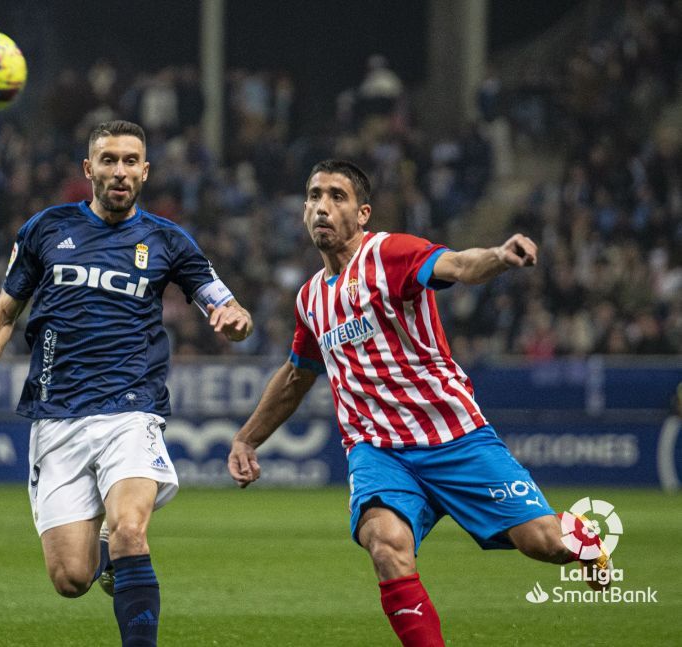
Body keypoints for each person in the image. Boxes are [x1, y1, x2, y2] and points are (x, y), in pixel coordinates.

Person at [227, 159, 610, 646]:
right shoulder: (310, 299)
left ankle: (585, 540)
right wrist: (247, 438)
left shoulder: (391, 253)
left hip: (454, 437)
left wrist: (499, 255)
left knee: (544, 543)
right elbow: (297, 374)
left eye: (337, 196)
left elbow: (460, 265)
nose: (322, 207)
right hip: (377, 450)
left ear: (362, 213)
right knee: (385, 544)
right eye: (314, 196)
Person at [0, 120, 253, 647]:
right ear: (89, 169)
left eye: (131, 161)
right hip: (56, 413)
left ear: (145, 171)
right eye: (109, 160)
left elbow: (223, 302)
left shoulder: (167, 240)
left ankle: (124, 556)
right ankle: (107, 549)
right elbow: (4, 314)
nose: (120, 171)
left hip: (131, 409)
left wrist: (235, 319)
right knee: (71, 578)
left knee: (131, 529)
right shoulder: (46, 229)